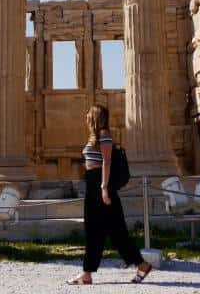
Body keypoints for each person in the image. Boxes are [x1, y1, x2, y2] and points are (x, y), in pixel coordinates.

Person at [68, 105, 153, 285]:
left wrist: (104, 188)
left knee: (106, 230)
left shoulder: (104, 134)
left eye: (88, 113)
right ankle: (140, 264)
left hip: (100, 185)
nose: (86, 115)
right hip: (93, 184)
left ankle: (88, 273)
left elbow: (107, 162)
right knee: (107, 230)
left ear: (95, 117)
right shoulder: (94, 136)